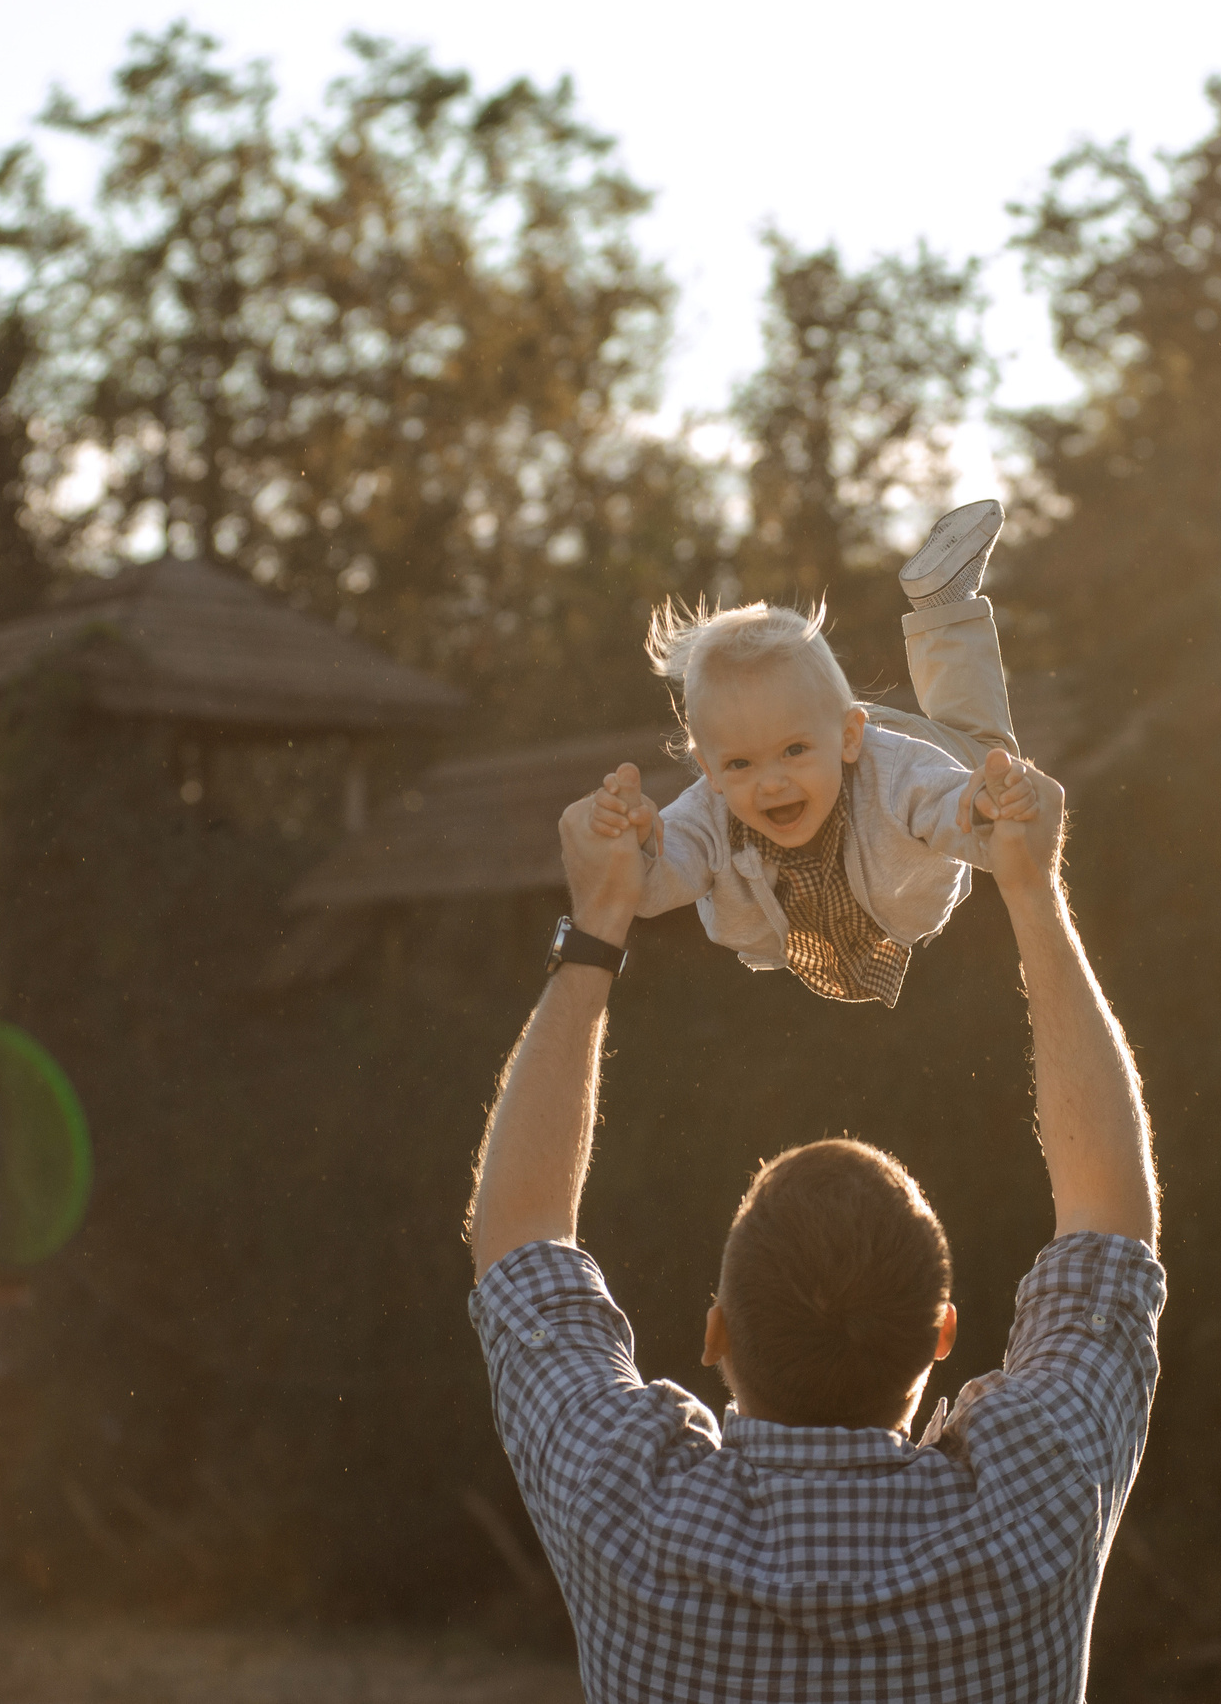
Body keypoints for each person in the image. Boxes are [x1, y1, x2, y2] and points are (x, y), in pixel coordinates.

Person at [465, 742, 1165, 1703]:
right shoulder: (1032, 1510)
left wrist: (597, 922)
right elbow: (1112, 1223)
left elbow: (517, 1239)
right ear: (941, 1336)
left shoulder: (626, 1513)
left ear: (716, 1331)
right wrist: (1034, 894)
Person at [613, 498, 1022, 1006]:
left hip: (874, 750)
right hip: (826, 731)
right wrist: (634, 847)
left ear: (850, 735)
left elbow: (943, 802)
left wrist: (985, 808)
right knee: (791, 735)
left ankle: (945, 603)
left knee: (990, 755)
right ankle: (807, 733)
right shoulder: (708, 815)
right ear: (709, 770)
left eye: (791, 753)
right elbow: (662, 874)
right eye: (740, 763)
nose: (771, 783)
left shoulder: (895, 775)